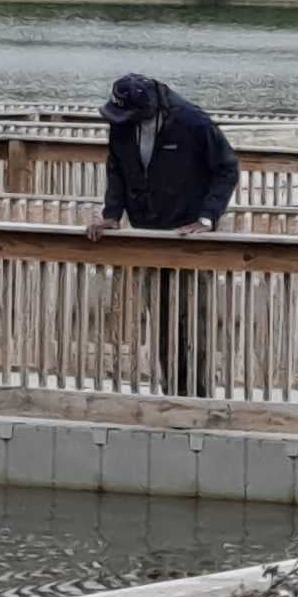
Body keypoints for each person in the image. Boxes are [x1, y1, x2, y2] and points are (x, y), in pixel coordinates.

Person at [94, 73, 241, 397]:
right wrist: (111, 215)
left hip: (188, 239)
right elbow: (116, 168)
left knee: (193, 323)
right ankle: (171, 392)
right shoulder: (121, 123)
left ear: (149, 107)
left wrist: (207, 218)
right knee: (161, 321)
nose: (122, 121)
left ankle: (198, 397)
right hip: (149, 236)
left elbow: (227, 168)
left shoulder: (193, 122)